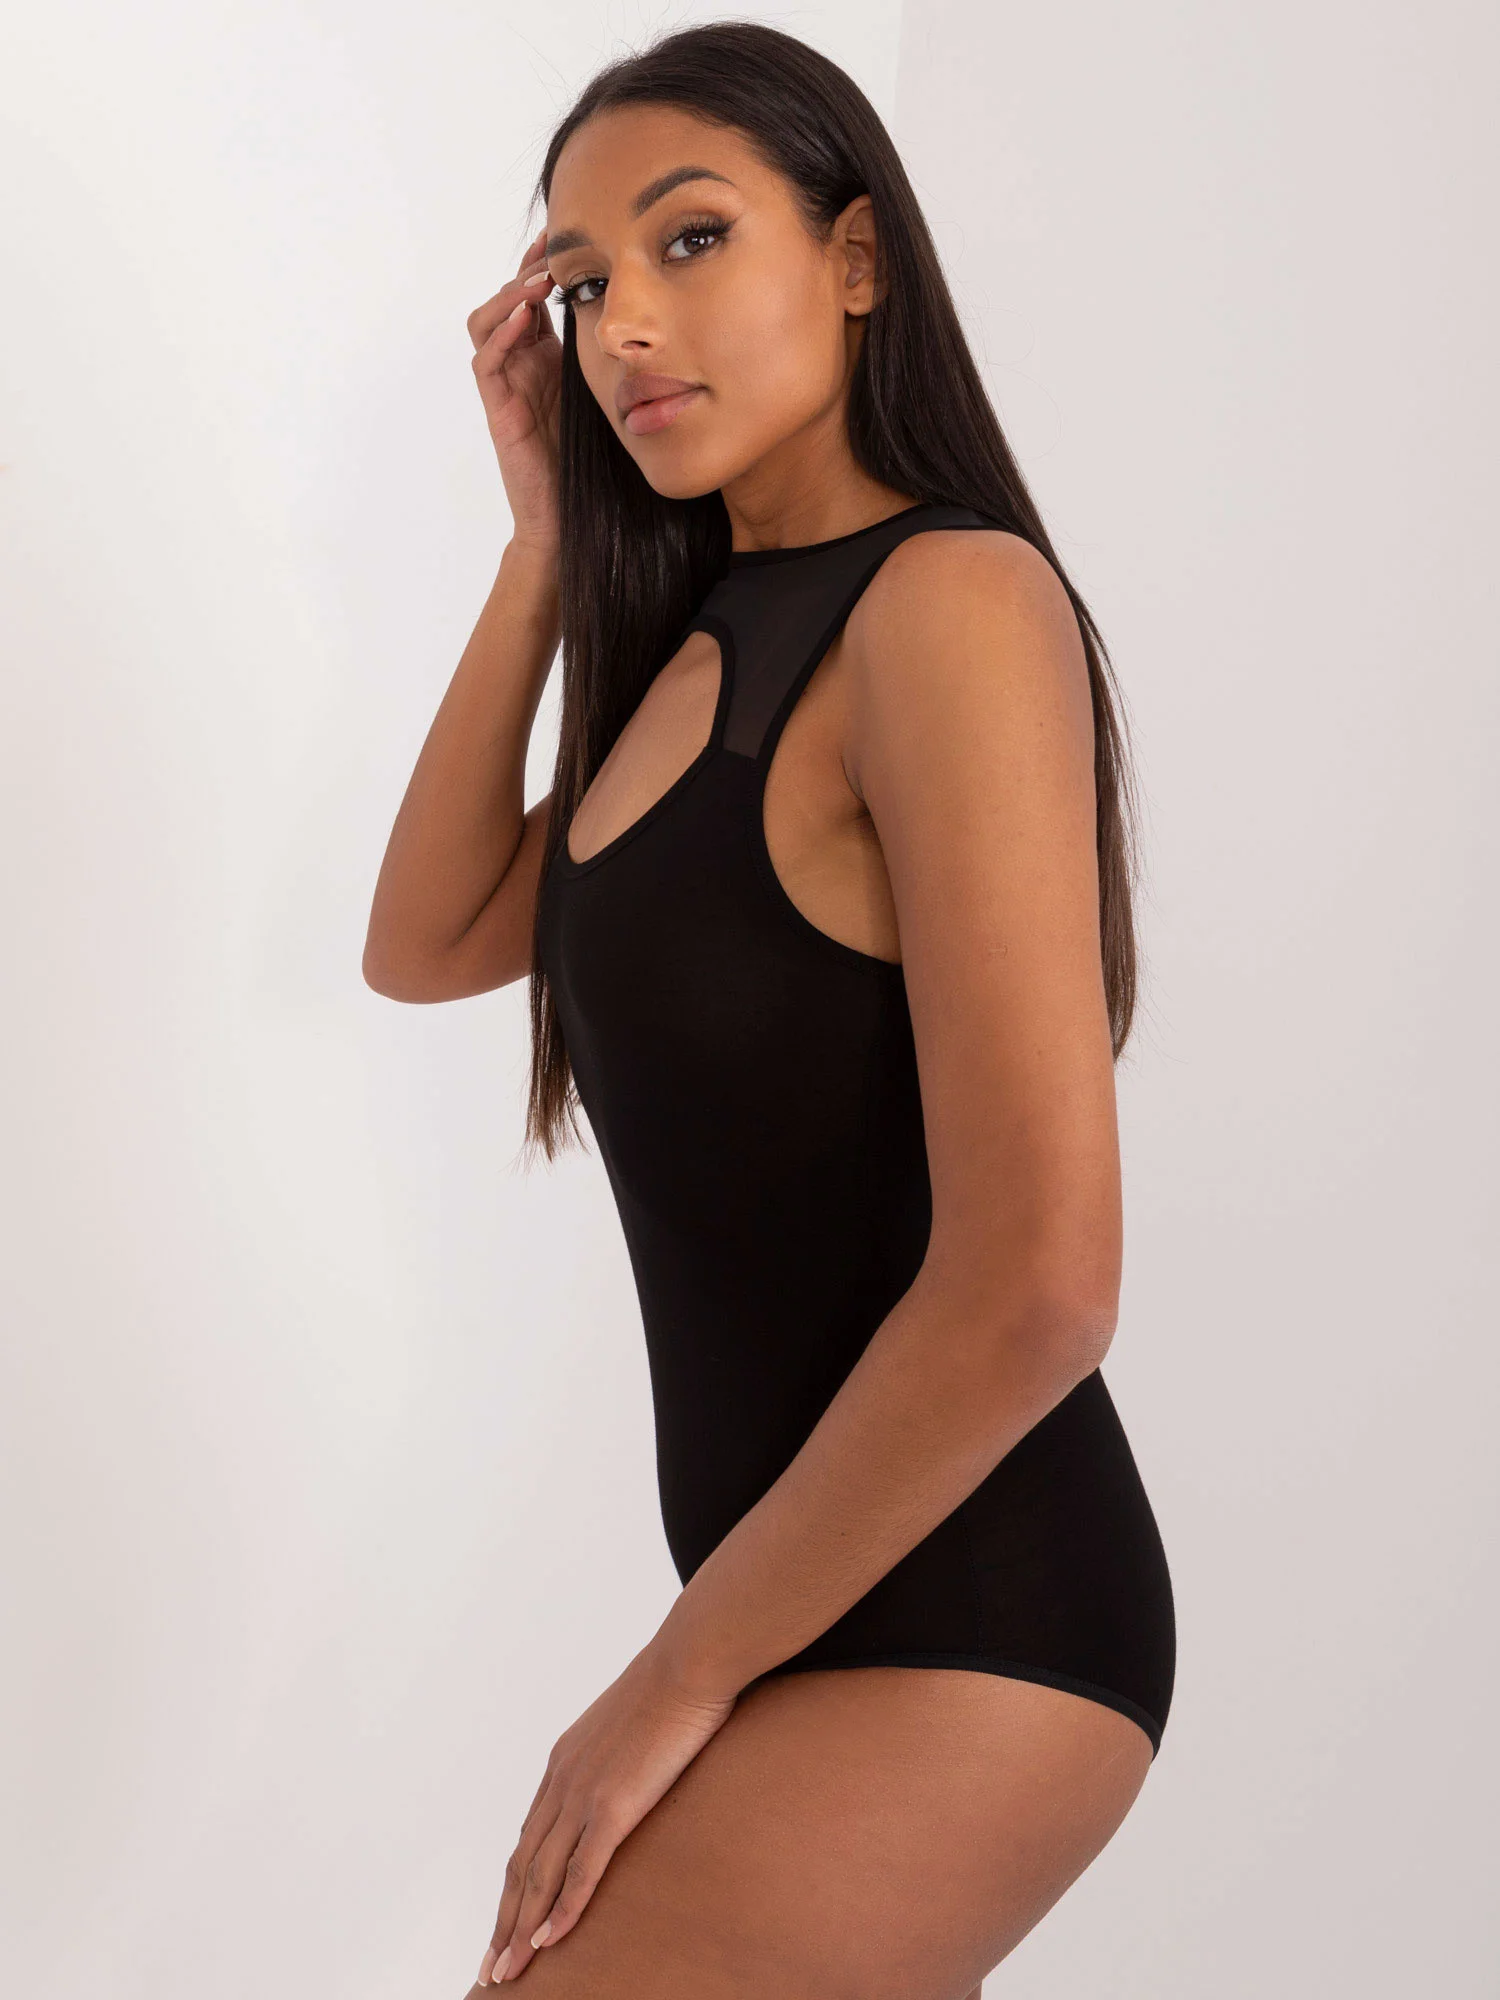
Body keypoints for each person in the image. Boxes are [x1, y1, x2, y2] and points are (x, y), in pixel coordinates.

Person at [363, 22, 1175, 1998]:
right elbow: (428, 934)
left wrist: (666, 1686)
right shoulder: (706, 649)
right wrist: (546, 548)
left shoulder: (950, 607)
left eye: (693, 237)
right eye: (583, 284)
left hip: (974, 1625)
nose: (627, 323)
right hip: (802, 1627)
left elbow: (1042, 1285)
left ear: (860, 256)